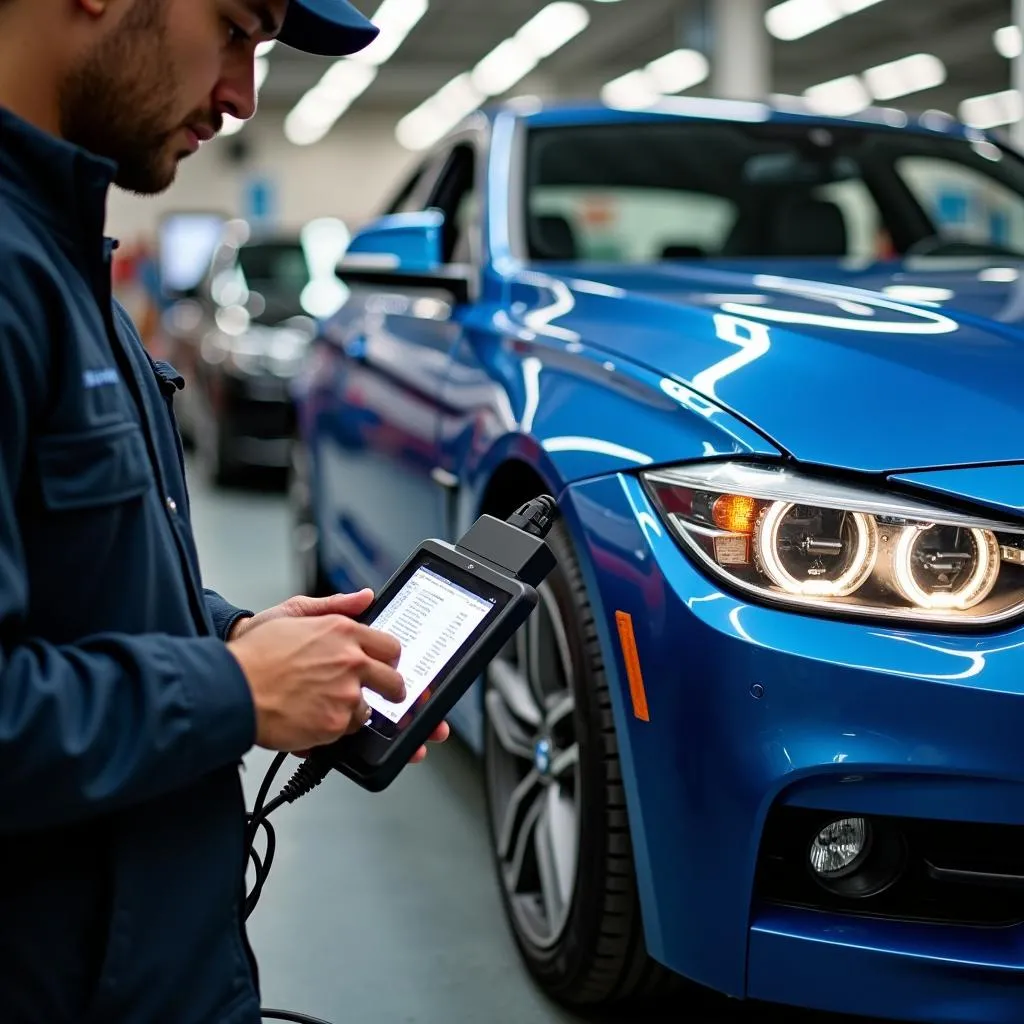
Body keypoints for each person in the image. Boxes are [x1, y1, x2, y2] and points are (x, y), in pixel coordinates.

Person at [0, 1, 449, 1021]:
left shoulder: (66, 263)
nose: (243, 96)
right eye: (238, 28)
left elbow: (67, 575)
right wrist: (230, 689)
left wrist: (240, 636)